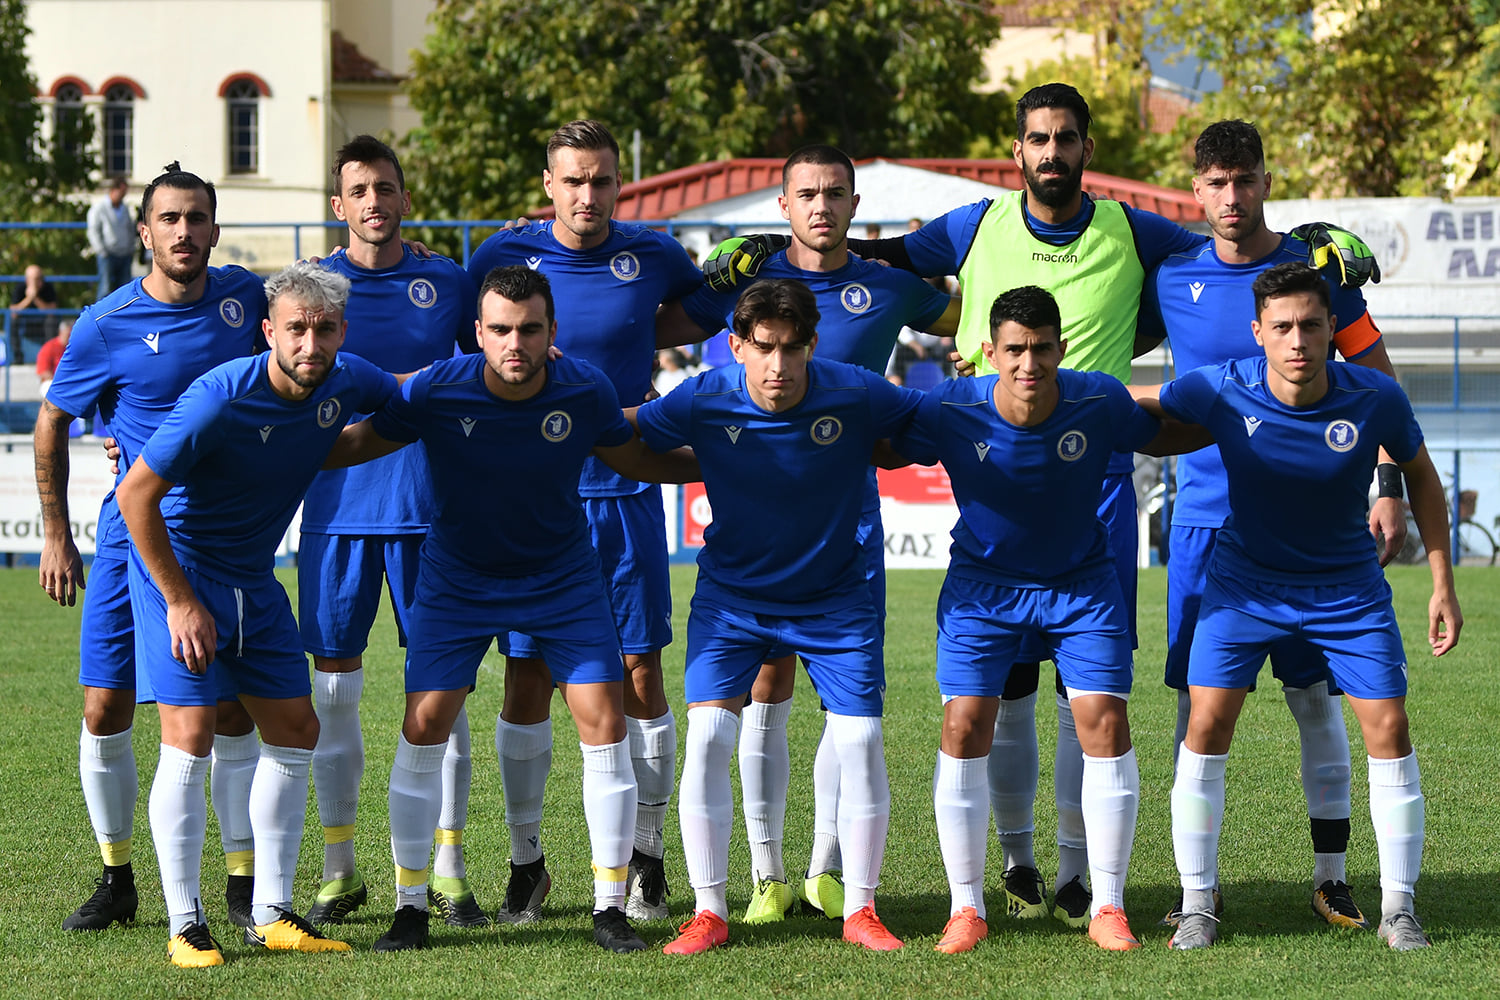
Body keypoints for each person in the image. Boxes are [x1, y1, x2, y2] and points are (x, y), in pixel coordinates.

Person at [322, 266, 698, 953]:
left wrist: (733, 459)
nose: (514, 343)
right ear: (478, 333)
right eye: (500, 329)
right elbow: (354, 444)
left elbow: (637, 459)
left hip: (561, 578)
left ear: (552, 332)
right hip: (458, 581)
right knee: (423, 724)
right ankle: (410, 908)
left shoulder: (585, 388)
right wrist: (262, 443)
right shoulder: (437, 388)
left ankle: (610, 908)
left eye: (529, 329)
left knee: (605, 720)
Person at [658, 144, 957, 924]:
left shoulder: (889, 286)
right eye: (807, 194)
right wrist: (707, 280)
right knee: (764, 690)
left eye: (835, 193)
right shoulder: (745, 286)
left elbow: (974, 321)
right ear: (783, 205)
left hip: (844, 529)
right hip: (751, 533)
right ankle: (767, 874)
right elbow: (661, 328)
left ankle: (828, 870)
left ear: (855, 203)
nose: (821, 206)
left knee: (845, 709)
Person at [1131, 262, 1460, 952]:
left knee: (1390, 727)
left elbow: (1423, 479)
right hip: (1244, 587)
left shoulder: (1374, 395)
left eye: (1311, 324)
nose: (1298, 339)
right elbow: (1145, 399)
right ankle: (1198, 903)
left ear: (1332, 327)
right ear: (1259, 333)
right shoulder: (1223, 385)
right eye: (1282, 327)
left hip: (1347, 591)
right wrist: (1040, 386)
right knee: (1205, 722)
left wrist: (1442, 583)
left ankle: (1399, 910)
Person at [1141, 119, 1405, 928]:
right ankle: (1199, 889)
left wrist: (1387, 484)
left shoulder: (1315, 273)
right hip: (1205, 525)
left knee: (1314, 700)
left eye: (1245, 179)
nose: (1232, 196)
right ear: (1196, 190)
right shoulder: (1171, 273)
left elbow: (1378, 378)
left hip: (1310, 530)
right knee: (1197, 707)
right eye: (1216, 183)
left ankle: (1332, 876)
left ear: (1265, 181)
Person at [886, 285, 1204, 954]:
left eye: (1040, 349)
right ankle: (966, 908)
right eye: (1014, 350)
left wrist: (1244, 414)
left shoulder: (1099, 398)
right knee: (963, 725)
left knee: (1104, 722)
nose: (1028, 363)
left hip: (1081, 586)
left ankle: (1108, 905)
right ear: (989, 351)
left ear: (1061, 348)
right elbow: (880, 440)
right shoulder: (950, 405)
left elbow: (1163, 432)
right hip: (983, 589)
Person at [114, 261, 395, 967]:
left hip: (253, 577)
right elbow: (135, 497)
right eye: (296, 329)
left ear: (342, 332)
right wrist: (180, 602)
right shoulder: (219, 397)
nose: (310, 344)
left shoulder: (348, 381)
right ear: (268, 331)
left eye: (323, 330)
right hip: (180, 572)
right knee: (190, 736)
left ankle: (270, 912)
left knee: (297, 729)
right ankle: (185, 924)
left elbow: (409, 403)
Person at [638, 279, 922, 955]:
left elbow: (930, 423)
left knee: (860, 741)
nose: (778, 365)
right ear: (736, 346)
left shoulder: (855, 390)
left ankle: (861, 909)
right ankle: (709, 911)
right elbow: (628, 435)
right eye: (763, 347)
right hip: (732, 602)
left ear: (812, 345)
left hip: (834, 600)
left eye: (792, 349)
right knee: (709, 737)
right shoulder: (703, 396)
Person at [464, 119, 702, 923]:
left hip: (626, 494)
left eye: (601, 180)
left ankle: (647, 859)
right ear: (548, 185)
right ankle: (526, 863)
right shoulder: (501, 255)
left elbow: (700, 313)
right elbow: (463, 340)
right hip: (533, 499)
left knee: (639, 674)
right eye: (573, 180)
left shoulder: (654, 254)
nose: (588, 195)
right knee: (527, 676)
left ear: (619, 184)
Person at [35, 163, 268, 935]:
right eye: (169, 218)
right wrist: (57, 534)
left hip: (223, 539)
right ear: (143, 233)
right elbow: (52, 421)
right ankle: (117, 878)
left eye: (197, 218)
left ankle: (242, 884)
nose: (184, 232)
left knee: (229, 710)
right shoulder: (106, 323)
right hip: (132, 537)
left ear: (215, 228)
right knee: (104, 706)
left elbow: (314, 321)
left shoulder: (247, 300)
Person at [297, 134, 483, 929]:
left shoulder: (448, 282)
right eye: (359, 190)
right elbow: (243, 378)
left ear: (405, 198)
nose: (374, 201)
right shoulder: (308, 290)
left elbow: (490, 370)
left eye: (386, 187)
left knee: (445, 694)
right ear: (338, 205)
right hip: (336, 512)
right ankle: (340, 868)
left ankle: (449, 866)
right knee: (333, 693)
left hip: (435, 515)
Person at [87, 177, 136, 298]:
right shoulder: (99, 208)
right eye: (122, 192)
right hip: (108, 255)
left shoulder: (124, 208)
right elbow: (93, 230)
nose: (123, 196)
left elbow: (130, 228)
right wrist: (101, 251)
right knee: (105, 289)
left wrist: (131, 248)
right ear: (114, 190)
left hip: (125, 254)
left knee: (124, 291)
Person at [10, 264, 60, 359]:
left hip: (43, 324)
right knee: (12, 322)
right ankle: (17, 357)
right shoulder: (20, 288)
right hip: (25, 323)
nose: (37, 282)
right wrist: (29, 299)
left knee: (51, 320)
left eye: (39, 278)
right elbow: (13, 312)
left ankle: (49, 355)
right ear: (27, 280)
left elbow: (52, 311)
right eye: (33, 279)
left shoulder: (48, 287)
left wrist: (35, 298)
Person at [36, 317, 72, 393]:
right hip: (51, 383)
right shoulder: (49, 347)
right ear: (61, 332)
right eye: (68, 334)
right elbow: (43, 371)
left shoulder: (73, 348)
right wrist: (60, 383)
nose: (70, 336)